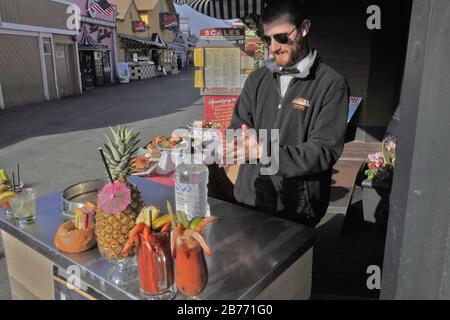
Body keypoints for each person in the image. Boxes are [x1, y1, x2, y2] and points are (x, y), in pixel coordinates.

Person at [227, 0, 349, 227]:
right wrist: (233, 143)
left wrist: (264, 151)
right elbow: (237, 126)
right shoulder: (257, 79)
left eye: (281, 37)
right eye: (267, 39)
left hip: (297, 208)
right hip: (249, 198)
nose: (273, 47)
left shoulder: (332, 85)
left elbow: (323, 151)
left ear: (303, 28)